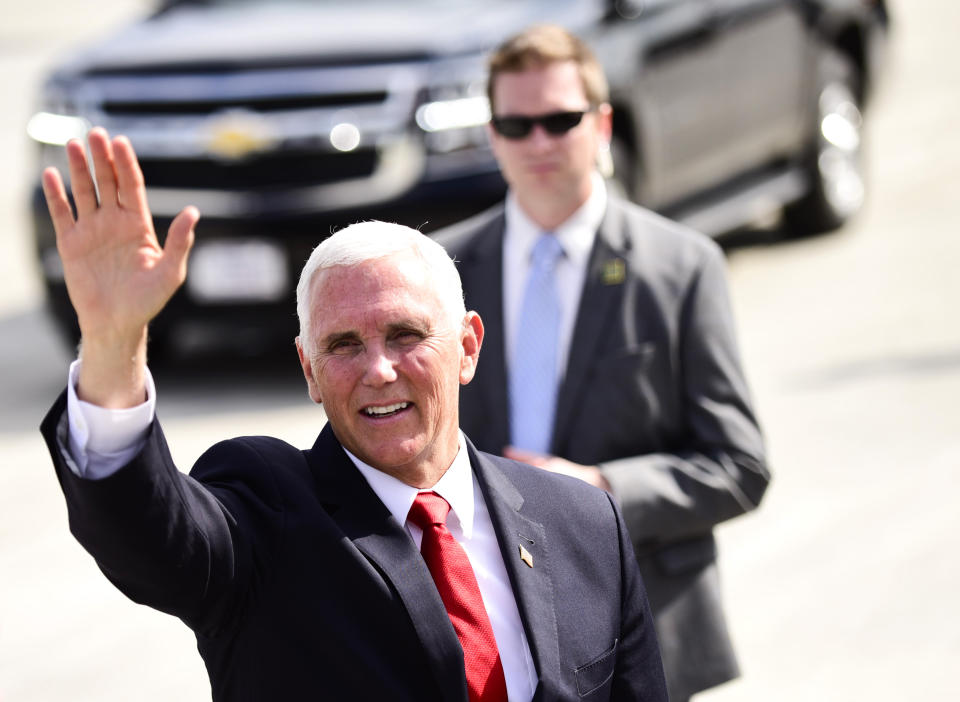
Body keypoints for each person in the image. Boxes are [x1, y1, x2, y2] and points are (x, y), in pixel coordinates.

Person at [38, 127, 668, 701]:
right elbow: (148, 535)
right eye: (343, 345)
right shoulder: (265, 513)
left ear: (468, 347)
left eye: (405, 335)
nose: (379, 370)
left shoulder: (584, 523)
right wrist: (113, 343)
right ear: (309, 370)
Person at [432, 25, 771, 702]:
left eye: (560, 120)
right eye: (516, 124)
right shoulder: (441, 271)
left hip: (642, 630)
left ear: (603, 124)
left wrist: (597, 488)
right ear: (492, 134)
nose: (539, 143)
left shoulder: (681, 267)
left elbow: (739, 466)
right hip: (486, 629)